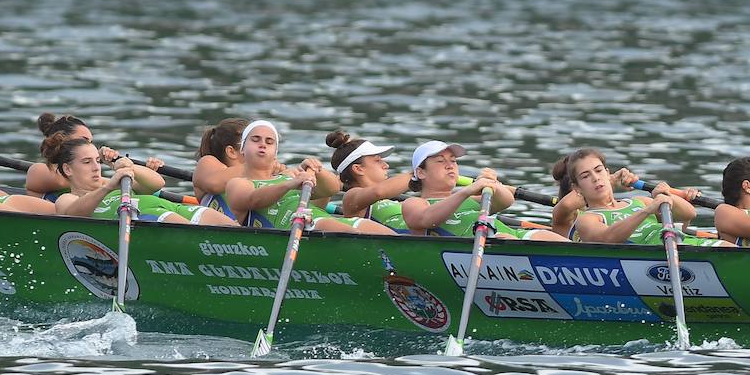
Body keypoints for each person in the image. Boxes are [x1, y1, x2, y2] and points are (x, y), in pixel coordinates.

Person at [30, 112, 235, 224]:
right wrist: (108, 186)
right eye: (86, 162)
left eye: (96, 161)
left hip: (174, 208)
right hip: (147, 216)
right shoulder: (69, 198)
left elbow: (158, 183)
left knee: (234, 230)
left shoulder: (120, 182)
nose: (95, 167)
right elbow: (73, 214)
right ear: (67, 169)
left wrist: (130, 167)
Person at [225, 120, 394, 233]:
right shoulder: (238, 183)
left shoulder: (291, 175)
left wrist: (316, 169)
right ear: (242, 149)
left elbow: (332, 188)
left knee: (374, 229)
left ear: (275, 152)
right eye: (255, 140)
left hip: (320, 224)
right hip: (298, 229)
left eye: (269, 142)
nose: (262, 144)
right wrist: (290, 184)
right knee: (332, 225)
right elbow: (252, 200)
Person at [560, 147, 733, 246]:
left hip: (681, 243)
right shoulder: (587, 219)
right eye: (585, 176)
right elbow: (607, 239)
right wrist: (647, 211)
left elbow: (689, 214)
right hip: (657, 255)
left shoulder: (639, 201)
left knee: (729, 248)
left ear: (607, 173)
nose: (595, 178)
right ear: (577, 188)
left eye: (598, 171)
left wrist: (666, 196)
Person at [401, 140, 568, 240]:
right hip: (489, 248)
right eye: (440, 161)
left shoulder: (471, 201)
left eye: (453, 161)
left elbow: (506, 201)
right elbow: (425, 220)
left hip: (515, 237)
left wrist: (493, 184)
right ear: (421, 172)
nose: (450, 165)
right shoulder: (414, 203)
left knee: (551, 238)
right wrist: (467, 191)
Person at [325, 130, 409, 231]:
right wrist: (418, 174)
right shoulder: (352, 196)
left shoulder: (395, 201)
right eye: (378, 161)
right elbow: (378, 192)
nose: (386, 165)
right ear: (358, 169)